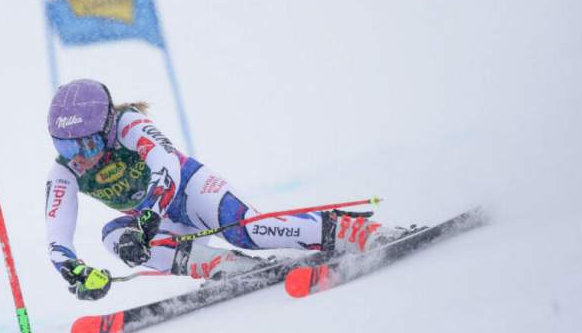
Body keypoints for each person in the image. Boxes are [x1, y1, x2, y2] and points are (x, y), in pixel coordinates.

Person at [44, 79, 381, 300]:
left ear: (106, 126)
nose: (79, 157)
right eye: (65, 146)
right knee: (114, 237)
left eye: (86, 145)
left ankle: (353, 233)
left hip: (192, 192)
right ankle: (226, 266)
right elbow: (57, 238)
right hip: (162, 222)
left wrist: (147, 218)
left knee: (250, 231)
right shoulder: (65, 170)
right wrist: (77, 272)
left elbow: (167, 167)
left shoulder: (127, 124)